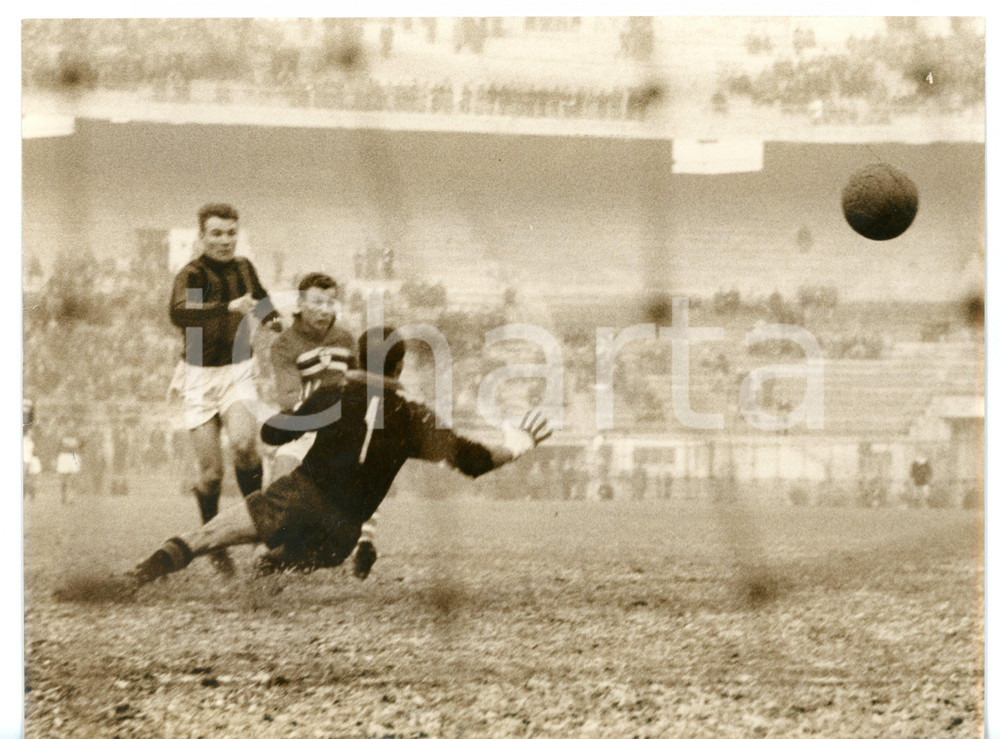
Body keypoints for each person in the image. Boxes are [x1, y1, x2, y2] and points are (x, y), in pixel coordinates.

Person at [128, 326, 553, 587]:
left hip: (299, 495)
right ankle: (264, 579)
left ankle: (135, 580)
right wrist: (520, 443)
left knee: (209, 536)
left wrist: (309, 407)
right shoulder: (415, 416)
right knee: (275, 566)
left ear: (357, 359)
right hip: (341, 533)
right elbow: (475, 461)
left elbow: (273, 431)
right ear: (399, 368)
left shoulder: (336, 394)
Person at [169, 202, 280, 576]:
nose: (225, 240)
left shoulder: (245, 268)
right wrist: (228, 306)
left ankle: (258, 529)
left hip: (237, 370)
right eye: (216, 233)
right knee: (211, 474)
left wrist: (277, 322)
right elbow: (180, 312)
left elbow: (261, 299)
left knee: (246, 447)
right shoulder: (193, 274)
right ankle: (213, 543)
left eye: (231, 233)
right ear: (202, 236)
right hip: (199, 376)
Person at [260, 272, 379, 579]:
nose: (326, 310)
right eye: (317, 302)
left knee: (360, 475)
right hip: (304, 425)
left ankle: (365, 540)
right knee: (278, 498)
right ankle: (279, 555)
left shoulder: (346, 339)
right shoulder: (285, 344)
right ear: (300, 304)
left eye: (331, 302)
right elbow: (289, 397)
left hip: (340, 431)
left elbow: (358, 385)